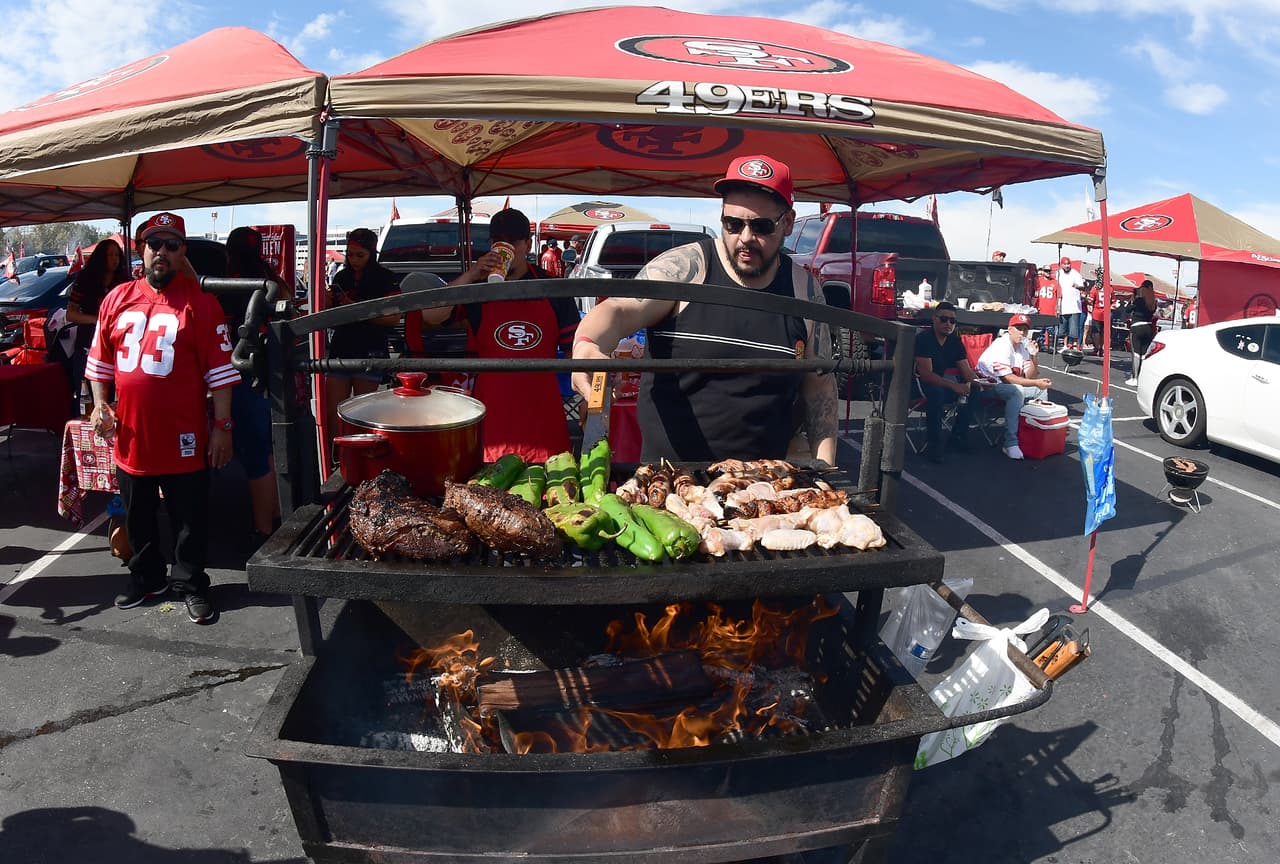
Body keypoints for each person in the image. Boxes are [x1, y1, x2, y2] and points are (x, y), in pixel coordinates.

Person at [571, 154, 837, 465]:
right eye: (733, 224)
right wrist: (587, 345)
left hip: (764, 489)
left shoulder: (803, 290)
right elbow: (620, 309)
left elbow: (819, 388)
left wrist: (825, 466)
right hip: (671, 483)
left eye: (762, 226)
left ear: (788, 223)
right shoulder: (686, 269)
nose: (745, 238)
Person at [85, 213, 240, 624]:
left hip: (184, 433)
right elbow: (99, 363)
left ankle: (190, 583)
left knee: (189, 516)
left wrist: (222, 427)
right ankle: (147, 578)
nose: (163, 252)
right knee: (137, 515)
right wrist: (101, 404)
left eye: (173, 245)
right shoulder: (116, 299)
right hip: (132, 434)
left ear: (183, 252)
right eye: (156, 244)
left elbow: (220, 374)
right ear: (141, 249)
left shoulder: (203, 304)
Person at [420, 208, 579, 464]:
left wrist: (588, 394)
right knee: (490, 490)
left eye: (513, 242)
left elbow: (574, 350)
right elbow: (431, 315)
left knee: (551, 489)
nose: (506, 248)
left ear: (527, 245)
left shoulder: (552, 287)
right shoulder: (476, 289)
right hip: (493, 413)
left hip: (542, 411)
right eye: (498, 242)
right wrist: (472, 274)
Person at [222, 227, 283, 544]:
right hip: (270, 373)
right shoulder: (270, 278)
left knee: (256, 452)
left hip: (245, 374)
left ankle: (263, 529)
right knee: (268, 450)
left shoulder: (229, 281)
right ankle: (272, 514)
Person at [323, 227, 400, 455]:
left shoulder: (385, 278)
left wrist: (353, 309)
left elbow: (393, 318)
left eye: (360, 255)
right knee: (333, 411)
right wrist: (328, 303)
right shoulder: (341, 276)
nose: (354, 260)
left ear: (372, 252)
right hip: (342, 347)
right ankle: (338, 456)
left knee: (363, 411)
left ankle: (362, 456)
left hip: (370, 349)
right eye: (350, 254)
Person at [64, 239, 129, 416]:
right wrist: (97, 320)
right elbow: (70, 314)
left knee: (117, 394)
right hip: (88, 344)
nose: (114, 259)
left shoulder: (124, 281)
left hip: (118, 345)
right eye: (110, 255)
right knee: (87, 393)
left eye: (117, 255)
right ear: (101, 257)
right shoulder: (85, 279)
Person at [975, 313, 1052, 460]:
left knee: (1039, 390)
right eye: (1018, 328)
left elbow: (1031, 376)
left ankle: (1032, 433)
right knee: (1016, 391)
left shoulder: (1023, 347)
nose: (1022, 332)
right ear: (1010, 329)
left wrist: (1034, 356)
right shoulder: (1002, 345)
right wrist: (1036, 382)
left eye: (1025, 329)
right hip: (985, 387)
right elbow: (1008, 378)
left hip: (1004, 386)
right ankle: (1010, 442)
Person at [913, 301, 976, 463]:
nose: (948, 324)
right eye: (944, 319)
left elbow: (966, 372)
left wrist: (978, 382)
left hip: (939, 384)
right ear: (934, 319)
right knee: (936, 393)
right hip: (916, 385)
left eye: (952, 321)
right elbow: (926, 375)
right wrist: (955, 386)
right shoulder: (923, 339)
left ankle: (957, 437)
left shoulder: (955, 342)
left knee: (975, 391)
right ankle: (933, 444)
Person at [1127, 279, 1159, 385]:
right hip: (1148, 328)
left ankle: (1135, 378)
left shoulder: (1139, 300)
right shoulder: (1153, 302)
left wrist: (1133, 299)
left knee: (1136, 353)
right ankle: (1142, 377)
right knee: (1144, 354)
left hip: (1137, 327)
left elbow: (1128, 309)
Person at [1056, 257, 1085, 347]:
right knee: (1063, 328)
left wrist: (1077, 286)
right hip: (1063, 305)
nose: (1067, 266)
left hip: (1074, 306)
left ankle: (1075, 345)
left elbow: (1082, 286)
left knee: (1074, 328)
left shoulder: (1075, 273)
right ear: (1061, 265)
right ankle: (1065, 345)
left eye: (1068, 264)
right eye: (1065, 264)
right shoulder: (1058, 273)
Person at [1035, 265, 1059, 350]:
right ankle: (1041, 345)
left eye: (1049, 271)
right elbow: (1034, 294)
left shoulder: (1055, 282)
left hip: (1051, 310)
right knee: (1040, 330)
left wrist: (1058, 308)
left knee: (1051, 330)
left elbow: (1059, 296)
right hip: (1041, 309)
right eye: (1046, 271)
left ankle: (1052, 346)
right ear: (1043, 271)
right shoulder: (1038, 280)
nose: (1048, 272)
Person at [1086, 271, 1107, 355]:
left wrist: (1086, 298)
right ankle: (1101, 348)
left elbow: (1090, 300)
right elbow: (1113, 302)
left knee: (1096, 332)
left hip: (1097, 313)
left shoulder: (1095, 288)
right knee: (1103, 332)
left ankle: (1097, 349)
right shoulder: (1110, 288)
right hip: (1106, 313)